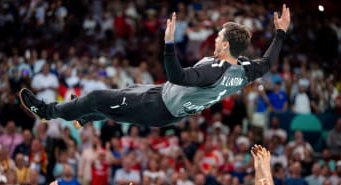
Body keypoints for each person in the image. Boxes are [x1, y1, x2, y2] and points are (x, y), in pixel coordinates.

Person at [18, 5, 290, 127]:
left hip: (158, 106)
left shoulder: (214, 70)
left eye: (219, 36)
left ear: (226, 45)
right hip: (164, 100)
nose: (216, 38)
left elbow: (178, 75)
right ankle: (83, 117)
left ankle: (46, 112)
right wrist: (281, 33)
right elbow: (266, 64)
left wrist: (169, 44)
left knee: (97, 97)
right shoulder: (242, 70)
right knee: (117, 99)